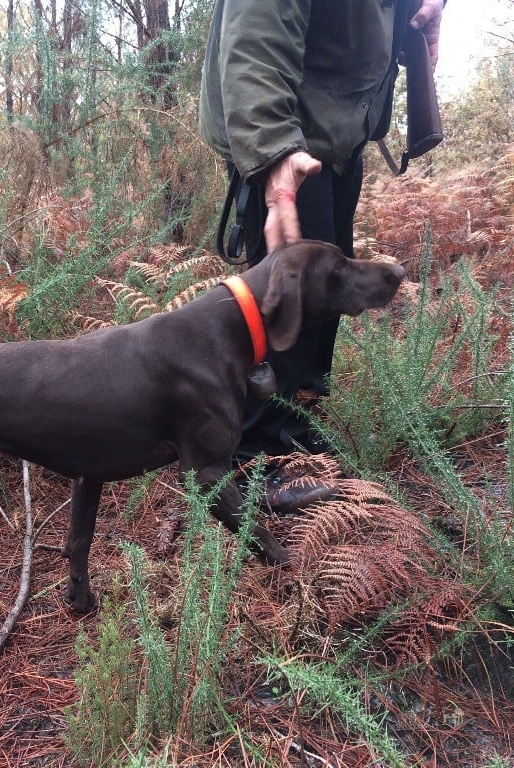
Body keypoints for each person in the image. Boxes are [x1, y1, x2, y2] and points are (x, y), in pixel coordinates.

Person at [199, 0, 445, 462]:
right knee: (285, 301)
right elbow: (256, 36)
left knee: (327, 289)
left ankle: (294, 426)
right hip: (285, 134)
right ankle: (253, 455)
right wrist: (272, 154)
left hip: (338, 135)